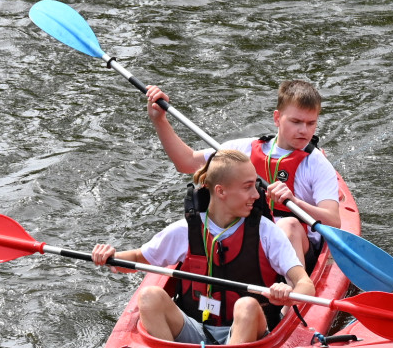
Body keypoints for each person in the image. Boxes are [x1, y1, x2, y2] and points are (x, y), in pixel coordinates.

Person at [91, 150, 315, 345]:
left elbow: (306, 285)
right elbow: (139, 258)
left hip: (248, 336)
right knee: (149, 296)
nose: (257, 195)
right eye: (248, 188)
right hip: (195, 328)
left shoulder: (266, 231)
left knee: (246, 305)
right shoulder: (184, 231)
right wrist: (111, 257)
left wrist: (288, 295)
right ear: (221, 191)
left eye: (254, 186)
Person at [144, 79, 340, 271]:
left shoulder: (317, 164)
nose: (303, 130)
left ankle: (293, 297)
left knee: (289, 225)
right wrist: (159, 120)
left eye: (310, 123)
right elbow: (186, 162)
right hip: (244, 237)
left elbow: (333, 221)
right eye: (296, 121)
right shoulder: (242, 149)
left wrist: (295, 202)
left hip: (295, 245)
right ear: (277, 118)